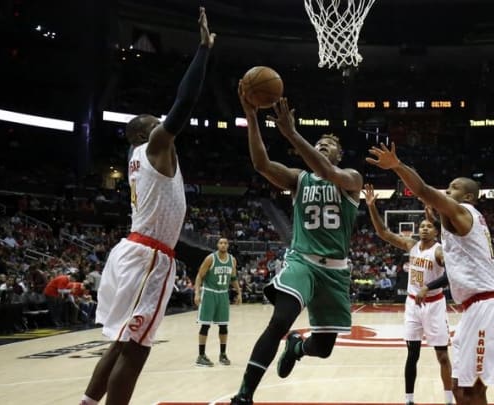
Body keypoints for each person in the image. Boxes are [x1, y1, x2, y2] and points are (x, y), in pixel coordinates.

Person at [79, 7, 214, 405]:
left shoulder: (140, 159)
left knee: (121, 343)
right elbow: (185, 100)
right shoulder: (154, 145)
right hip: (150, 258)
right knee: (136, 351)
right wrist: (203, 51)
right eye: (158, 122)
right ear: (146, 131)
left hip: (134, 251)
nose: (165, 126)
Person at [231, 93, 362, 405]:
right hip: (301, 260)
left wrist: (291, 133)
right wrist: (252, 117)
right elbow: (261, 163)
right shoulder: (298, 178)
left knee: (324, 347)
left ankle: (298, 348)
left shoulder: (351, 179)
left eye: (328, 146)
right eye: (318, 144)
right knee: (280, 320)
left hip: (335, 271)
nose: (321, 147)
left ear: (340, 155)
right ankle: (244, 395)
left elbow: (329, 172)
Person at [366, 143, 494, 405]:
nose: (448, 189)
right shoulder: (455, 220)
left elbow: (422, 190)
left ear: (468, 197)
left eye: (454, 187)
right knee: (460, 388)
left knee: (471, 391)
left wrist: (397, 166)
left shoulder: (463, 212)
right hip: (474, 307)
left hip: (486, 306)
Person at [363, 183, 453, 405]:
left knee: (442, 356)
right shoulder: (411, 245)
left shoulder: (439, 250)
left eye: (428, 227)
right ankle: (409, 400)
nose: (423, 228)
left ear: (435, 231)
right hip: (413, 306)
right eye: (421, 226)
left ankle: (449, 399)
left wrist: (428, 287)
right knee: (412, 354)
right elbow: (383, 232)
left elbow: (452, 276)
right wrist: (372, 207)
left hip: (434, 304)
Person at [194, 237, 241, 367]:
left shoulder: (232, 260)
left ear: (228, 245)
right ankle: (201, 355)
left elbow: (233, 277)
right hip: (209, 293)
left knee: (224, 326)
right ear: (217, 245)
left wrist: (239, 292)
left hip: (223, 295)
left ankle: (223, 354)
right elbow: (199, 276)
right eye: (221, 243)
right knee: (205, 325)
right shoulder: (210, 258)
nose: (223, 245)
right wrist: (197, 293)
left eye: (225, 243)